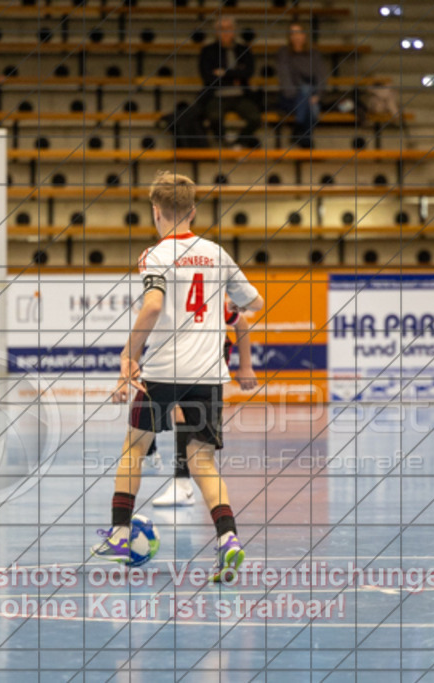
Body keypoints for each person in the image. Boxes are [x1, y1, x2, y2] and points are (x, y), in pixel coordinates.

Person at [92, 170, 264, 581]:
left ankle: (119, 532)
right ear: (193, 211)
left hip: (163, 372)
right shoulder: (218, 253)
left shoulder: (156, 255)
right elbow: (255, 303)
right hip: (207, 375)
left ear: (156, 211)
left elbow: (152, 307)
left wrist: (126, 356)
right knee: (202, 460)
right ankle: (228, 540)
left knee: (134, 449)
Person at [151, 306, 257, 507]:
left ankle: (182, 482)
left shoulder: (204, 293)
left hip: (209, 354)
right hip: (182, 351)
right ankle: (177, 478)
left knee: (185, 412)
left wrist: (246, 366)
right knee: (174, 409)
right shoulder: (167, 292)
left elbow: (241, 322)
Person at [199, 16, 262, 149]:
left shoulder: (243, 49)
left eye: (229, 28)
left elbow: (248, 72)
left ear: (234, 30)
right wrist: (235, 74)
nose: (226, 32)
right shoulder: (207, 51)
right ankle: (224, 143)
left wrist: (223, 73)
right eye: (222, 29)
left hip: (241, 95)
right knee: (214, 117)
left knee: (255, 118)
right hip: (216, 95)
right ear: (216, 32)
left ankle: (238, 143)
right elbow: (207, 76)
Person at [276, 22, 328, 149]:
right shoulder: (284, 53)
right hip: (290, 98)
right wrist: (302, 97)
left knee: (312, 103)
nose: (296, 36)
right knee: (308, 98)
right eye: (292, 33)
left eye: (298, 33)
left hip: (312, 96)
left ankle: (299, 131)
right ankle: (306, 140)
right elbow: (285, 78)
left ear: (304, 35)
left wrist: (317, 95)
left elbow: (321, 76)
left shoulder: (314, 54)